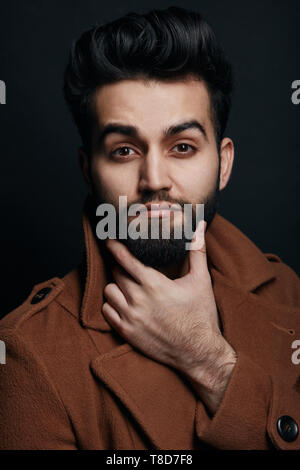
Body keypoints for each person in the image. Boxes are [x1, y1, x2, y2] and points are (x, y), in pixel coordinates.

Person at [0, 6, 299, 450]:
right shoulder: (29, 353)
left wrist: (207, 358)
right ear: (88, 169)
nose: (154, 178)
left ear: (224, 164)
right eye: (124, 150)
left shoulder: (288, 293)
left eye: (182, 146)